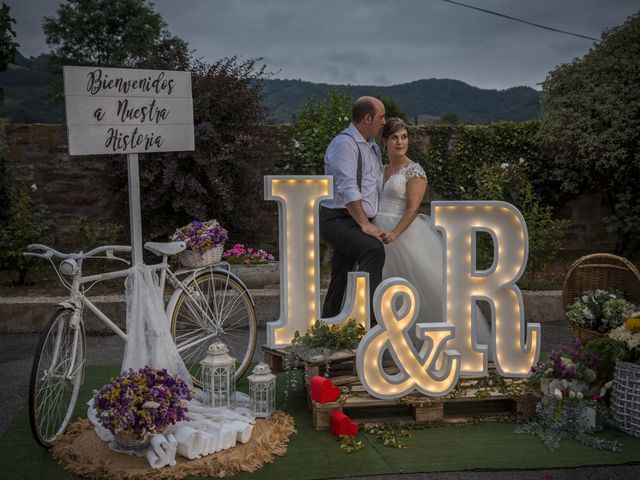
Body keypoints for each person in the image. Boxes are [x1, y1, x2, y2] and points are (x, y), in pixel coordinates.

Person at [374, 117, 491, 345]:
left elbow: (413, 209)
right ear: (384, 141)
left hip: (402, 236)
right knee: (383, 292)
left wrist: (395, 234)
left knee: (420, 290)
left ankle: (440, 344)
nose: (400, 142)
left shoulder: (414, 172)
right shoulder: (380, 169)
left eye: (404, 137)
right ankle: (388, 346)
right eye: (394, 138)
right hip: (376, 232)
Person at [320, 96, 387, 322]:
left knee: (342, 272)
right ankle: (369, 324)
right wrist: (365, 224)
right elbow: (347, 186)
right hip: (337, 218)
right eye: (381, 117)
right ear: (368, 118)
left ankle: (329, 324)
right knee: (372, 250)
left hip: (354, 218)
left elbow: (371, 186)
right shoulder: (344, 144)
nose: (384, 122)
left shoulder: (373, 148)